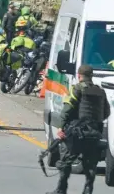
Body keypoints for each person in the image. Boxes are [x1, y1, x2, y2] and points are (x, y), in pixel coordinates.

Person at [47, 65, 110, 194]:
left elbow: (67, 109)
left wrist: (60, 127)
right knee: (91, 164)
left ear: (79, 75)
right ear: (91, 76)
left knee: (66, 160)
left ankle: (61, 189)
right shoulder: (100, 91)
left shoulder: (77, 89)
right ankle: (88, 190)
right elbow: (107, 112)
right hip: (94, 133)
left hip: (77, 133)